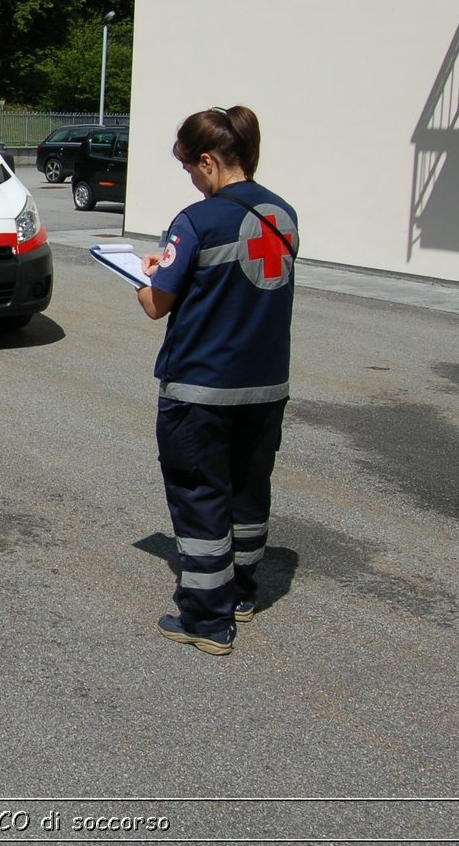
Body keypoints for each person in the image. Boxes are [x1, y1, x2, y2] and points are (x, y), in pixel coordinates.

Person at [137, 105, 298, 656]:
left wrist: (148, 275)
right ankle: (242, 594)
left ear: (208, 161)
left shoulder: (197, 220)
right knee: (248, 494)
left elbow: (157, 305)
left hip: (201, 387)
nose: (190, 179)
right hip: (265, 384)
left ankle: (205, 619)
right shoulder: (284, 214)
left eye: (189, 168)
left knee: (200, 496)